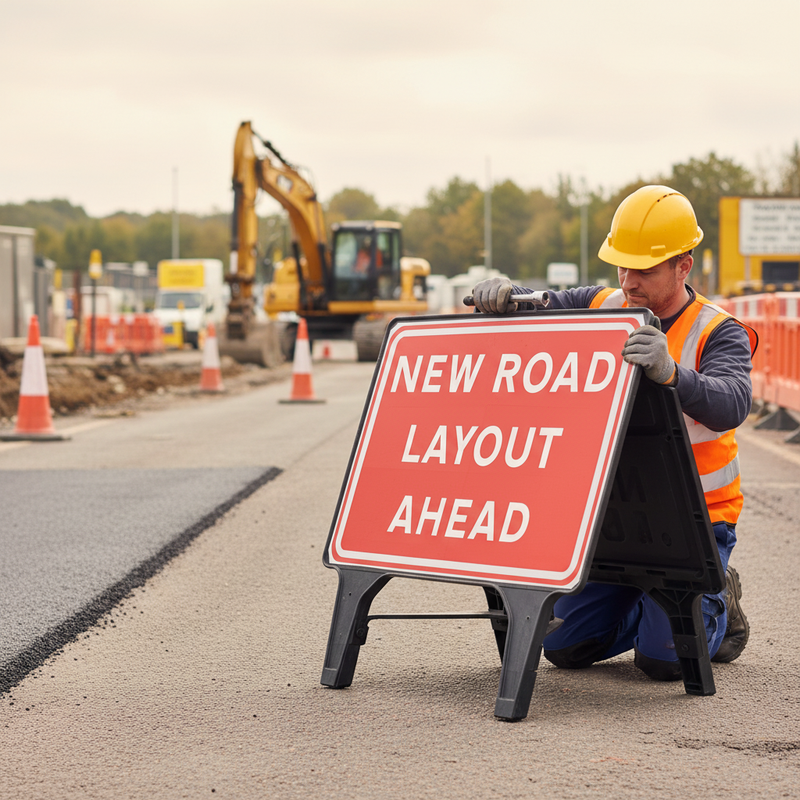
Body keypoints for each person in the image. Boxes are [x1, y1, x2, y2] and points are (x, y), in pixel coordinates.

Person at [471, 184, 756, 681]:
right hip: (618, 518)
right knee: (562, 645)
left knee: (666, 662)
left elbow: (732, 402)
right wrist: (504, 293)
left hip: (697, 524)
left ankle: (719, 608)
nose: (628, 280)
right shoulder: (603, 303)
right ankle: (652, 608)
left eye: (643, 269)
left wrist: (672, 373)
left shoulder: (718, 329)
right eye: (622, 265)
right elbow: (539, 304)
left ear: (682, 266)